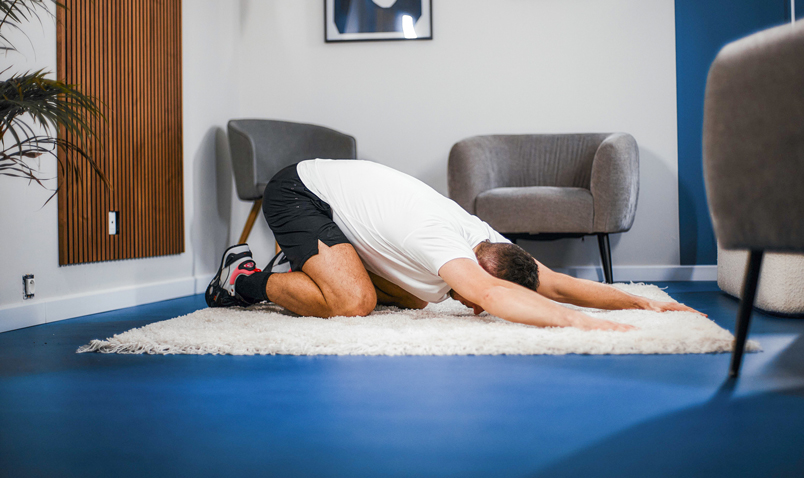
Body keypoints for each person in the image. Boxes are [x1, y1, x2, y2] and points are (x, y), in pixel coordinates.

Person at [206, 159, 704, 331]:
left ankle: (305, 264)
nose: (476, 309)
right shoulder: (443, 242)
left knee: (424, 295)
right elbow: (490, 294)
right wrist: (585, 324)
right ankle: (245, 280)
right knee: (354, 304)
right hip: (299, 192)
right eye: (478, 300)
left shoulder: (488, 241)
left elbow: (557, 283)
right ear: (480, 271)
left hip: (341, 207)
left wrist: (641, 301)